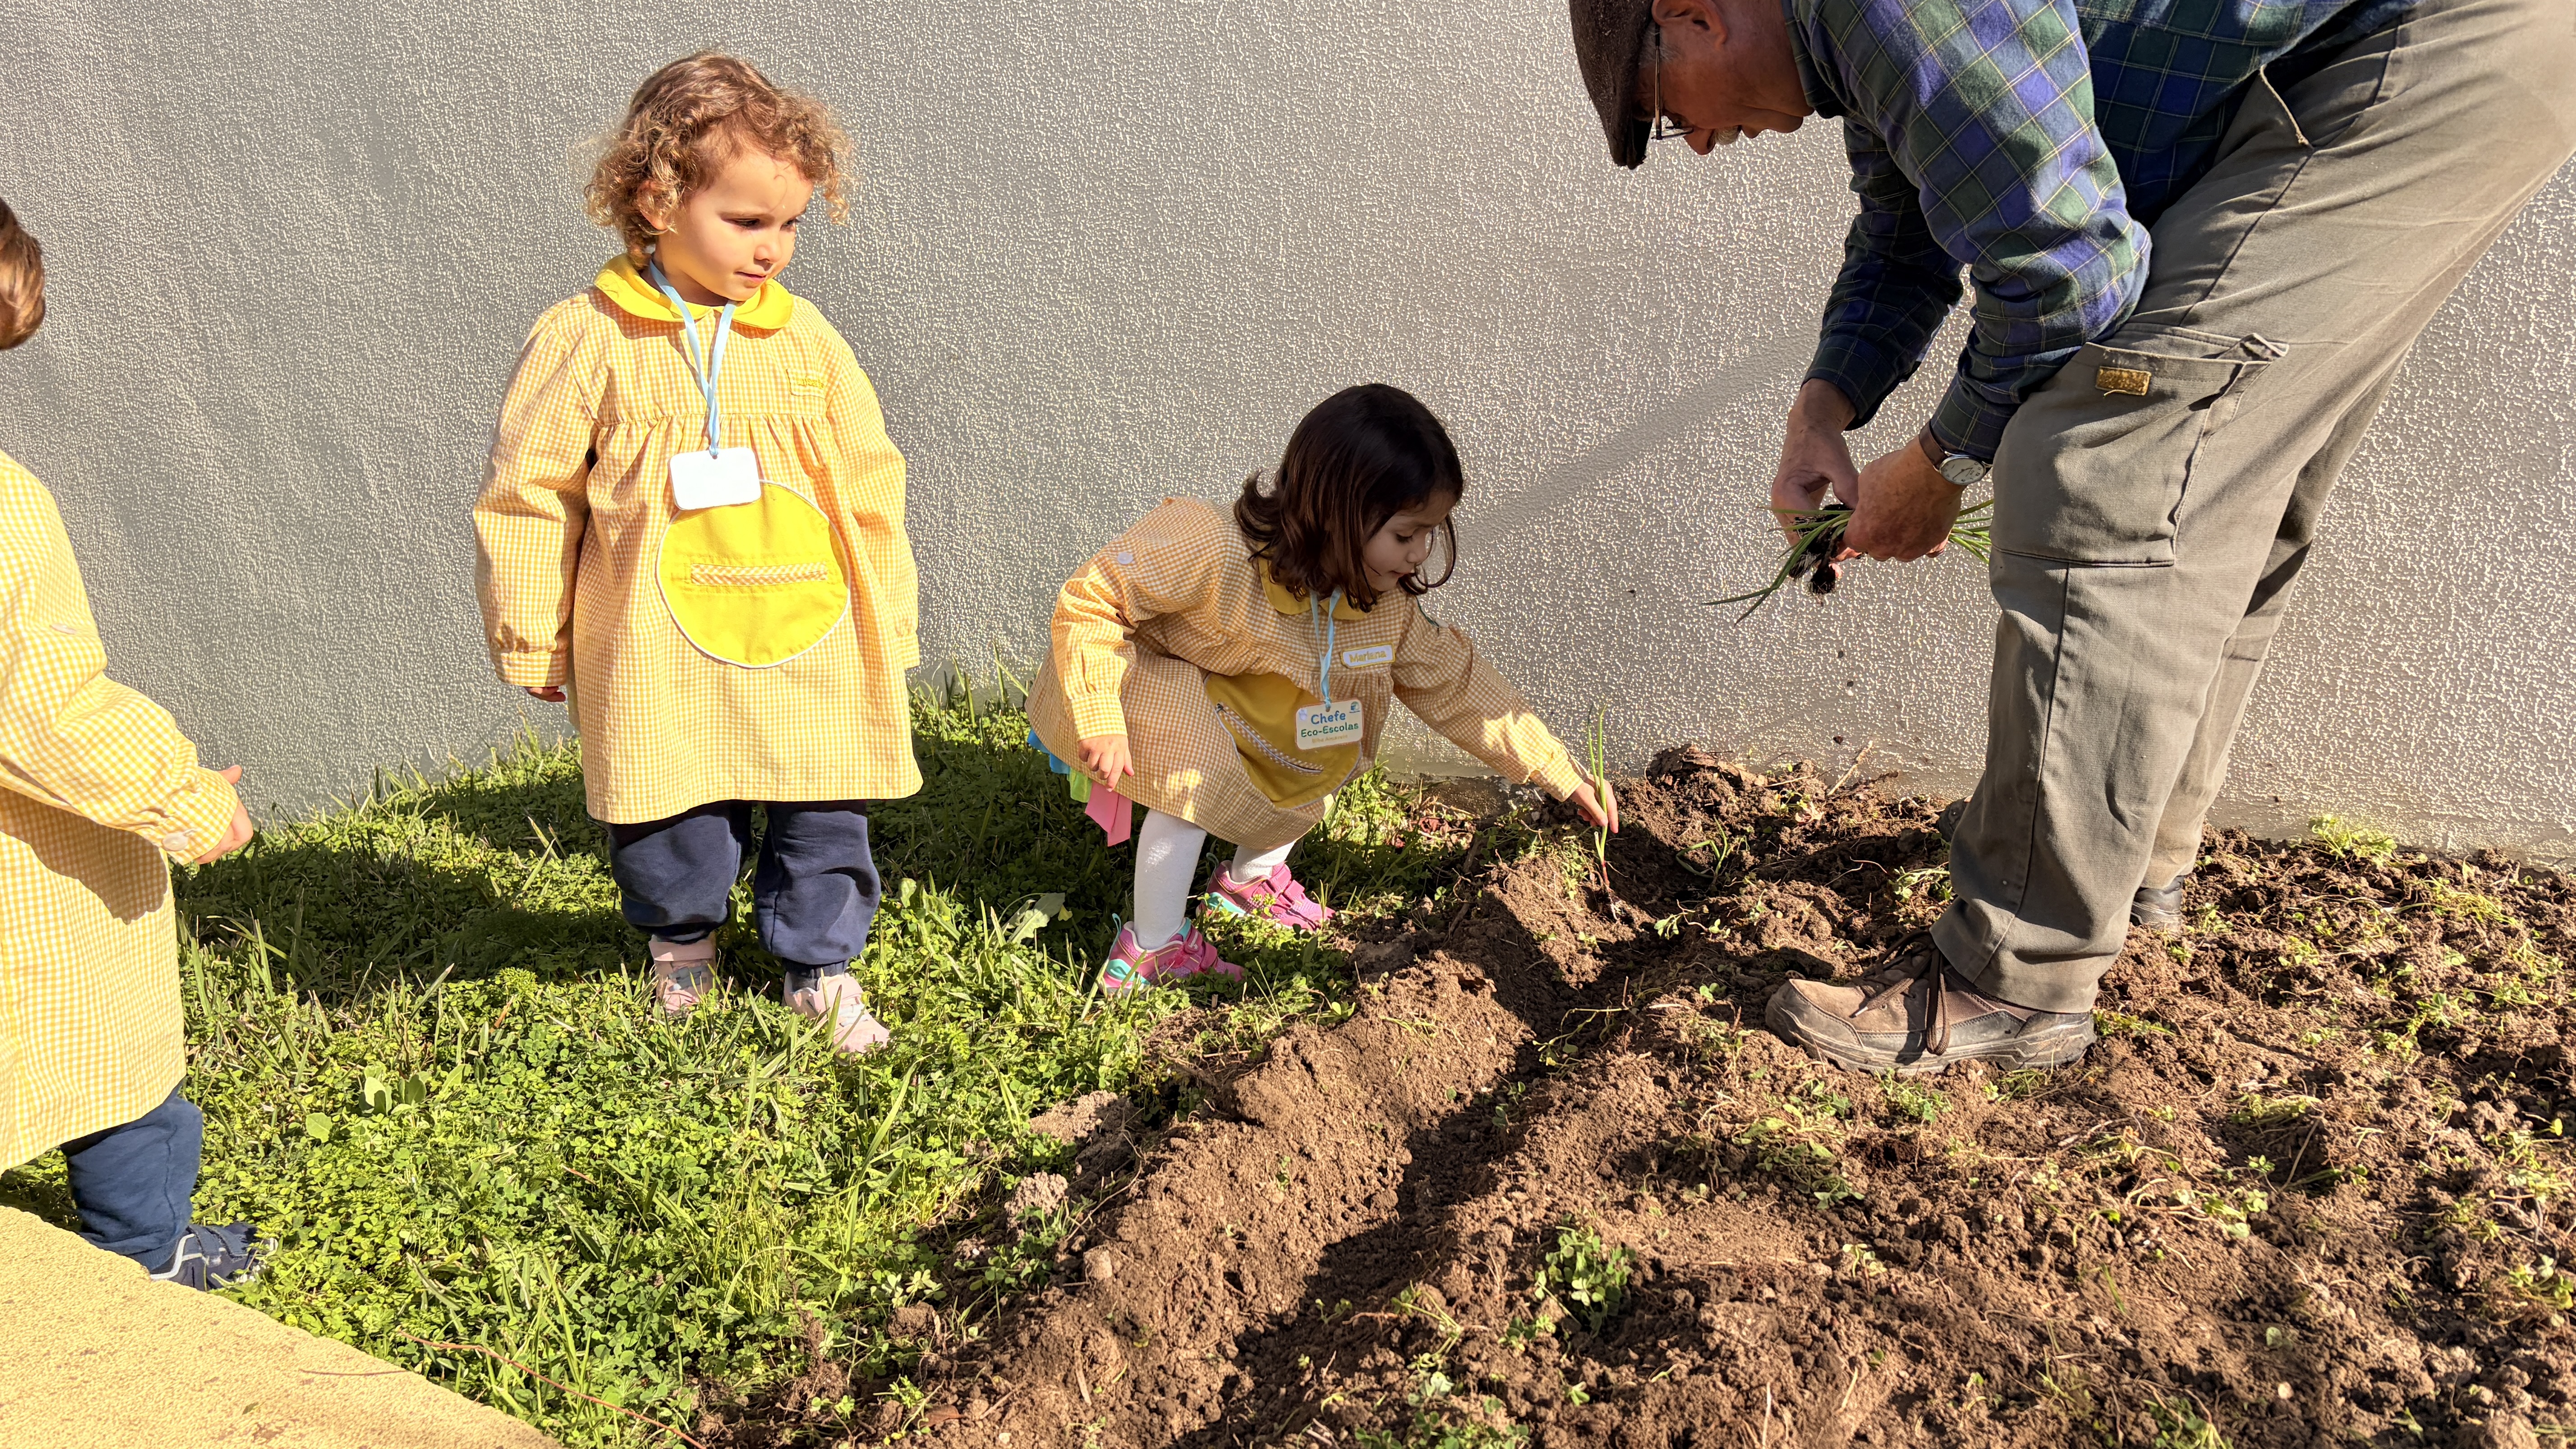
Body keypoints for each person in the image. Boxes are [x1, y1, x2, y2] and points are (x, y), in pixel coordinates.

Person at [1566, 0, 2576, 1071]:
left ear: (1696, 17)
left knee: (2109, 454)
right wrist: (1825, 405)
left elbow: (2067, 275)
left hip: (2419, 43)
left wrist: (1945, 464)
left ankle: (2013, 976)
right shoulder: (1852, 36)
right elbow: (1910, 221)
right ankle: (2129, 867)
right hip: (2391, 44)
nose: (1707, 142)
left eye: (1666, 113)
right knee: (2214, 459)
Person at [475, 54, 919, 1054]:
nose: (774, 250)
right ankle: (682, 947)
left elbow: (871, 480)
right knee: (668, 800)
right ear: (657, 198)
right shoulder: (586, 340)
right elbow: (528, 494)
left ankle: (821, 963)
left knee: (822, 798)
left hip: (809, 630)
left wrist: (887, 610)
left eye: (792, 224)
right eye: (748, 221)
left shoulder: (808, 341)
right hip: (656, 642)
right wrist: (532, 632)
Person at [1027, 383, 1619, 990]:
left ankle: (1248, 883)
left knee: (1330, 743)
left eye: (1431, 533)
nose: (1419, 553)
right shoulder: (1211, 550)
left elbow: (1459, 687)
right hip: (1135, 683)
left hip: (1230, 699)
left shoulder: (1384, 611)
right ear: (1336, 511)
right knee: (1192, 776)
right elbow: (1094, 600)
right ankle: (1149, 951)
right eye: (1405, 534)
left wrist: (1558, 770)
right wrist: (1100, 712)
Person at [0, 198, 262, 1285]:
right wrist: (192, 798)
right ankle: (147, 1260)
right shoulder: (3, 508)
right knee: (115, 1067)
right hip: (36, 879)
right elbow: (44, 711)